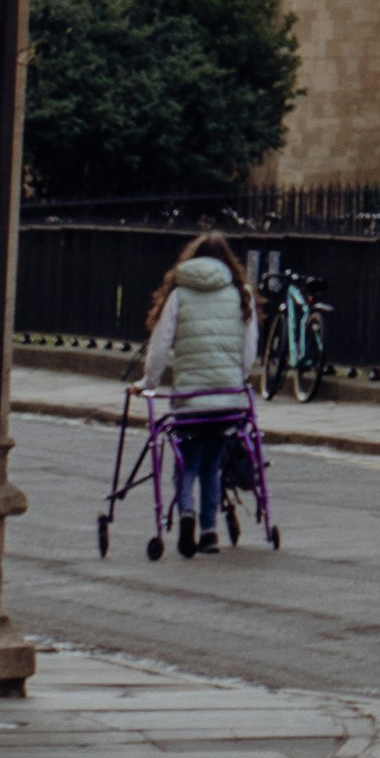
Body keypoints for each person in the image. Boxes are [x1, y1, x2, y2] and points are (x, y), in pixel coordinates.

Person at [141, 225, 257, 561]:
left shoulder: (179, 294)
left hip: (191, 401)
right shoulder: (241, 293)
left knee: (186, 463)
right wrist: (238, 378)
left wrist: (149, 383)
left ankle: (186, 514)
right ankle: (209, 532)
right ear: (227, 262)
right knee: (213, 464)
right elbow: (248, 352)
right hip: (228, 401)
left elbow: (160, 346)